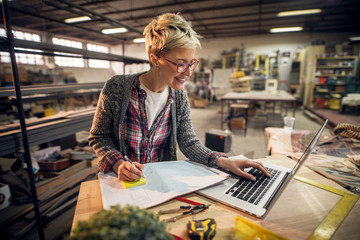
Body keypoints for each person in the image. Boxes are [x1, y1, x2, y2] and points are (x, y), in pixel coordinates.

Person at [88, 13, 270, 182]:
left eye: (192, 63)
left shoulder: (179, 97)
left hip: (158, 181)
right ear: (154, 58)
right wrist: (119, 163)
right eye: (181, 64)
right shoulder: (117, 88)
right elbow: (99, 136)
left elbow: (188, 142)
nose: (189, 72)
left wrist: (224, 161)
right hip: (118, 183)